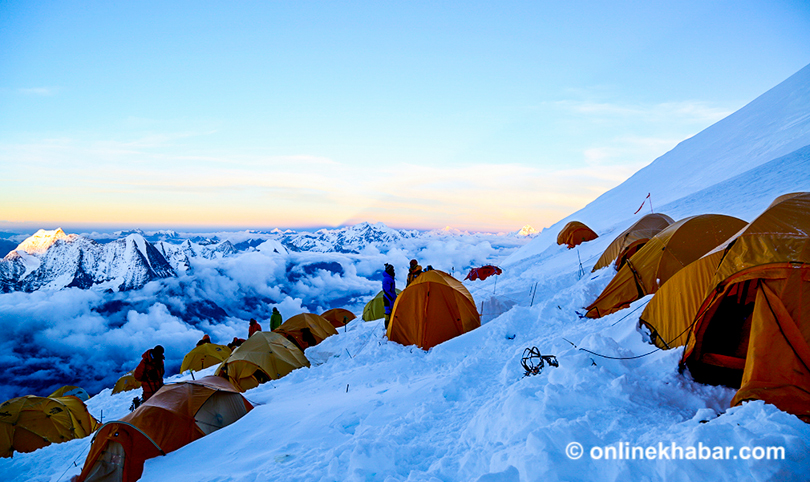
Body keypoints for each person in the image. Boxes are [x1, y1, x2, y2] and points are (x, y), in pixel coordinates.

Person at [382, 263, 397, 329]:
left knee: (390, 311)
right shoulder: (387, 279)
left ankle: (390, 325)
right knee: (388, 311)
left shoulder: (389, 278)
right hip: (388, 298)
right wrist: (391, 299)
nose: (393, 270)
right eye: (392, 269)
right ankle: (387, 326)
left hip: (391, 297)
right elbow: (387, 291)